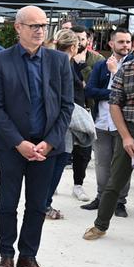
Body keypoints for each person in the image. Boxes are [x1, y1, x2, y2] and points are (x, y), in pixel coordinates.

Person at [0, 6, 73, 267]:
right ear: (18, 27)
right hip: (12, 147)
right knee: (8, 202)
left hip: (46, 148)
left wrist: (49, 142)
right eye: (33, 25)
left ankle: (28, 256)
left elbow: (66, 107)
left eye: (43, 25)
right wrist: (18, 143)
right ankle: (6, 255)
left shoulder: (59, 61)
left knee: (37, 204)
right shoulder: (1, 61)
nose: (39, 30)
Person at [83, 27, 134, 241]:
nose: (128, 46)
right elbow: (114, 103)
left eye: (130, 41)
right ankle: (100, 225)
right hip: (129, 130)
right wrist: (126, 136)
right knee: (114, 179)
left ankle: (116, 209)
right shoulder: (127, 68)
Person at [43, 29, 84, 220]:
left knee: (54, 163)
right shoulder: (65, 64)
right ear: (74, 47)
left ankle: (44, 202)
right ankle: (45, 204)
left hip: (55, 121)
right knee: (57, 164)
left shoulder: (52, 61)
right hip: (63, 123)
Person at [68, 25, 104, 202]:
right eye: (75, 38)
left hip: (86, 111)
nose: (79, 42)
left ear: (87, 40)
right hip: (65, 111)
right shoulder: (62, 57)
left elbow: (96, 88)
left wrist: (83, 66)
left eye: (82, 39)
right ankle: (51, 185)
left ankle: (78, 185)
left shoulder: (97, 60)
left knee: (83, 151)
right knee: (61, 151)